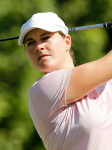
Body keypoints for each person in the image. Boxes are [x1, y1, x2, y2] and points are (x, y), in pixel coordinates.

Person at [18, 12, 112, 150]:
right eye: (30, 43)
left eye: (45, 37)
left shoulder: (106, 83)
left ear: (67, 42)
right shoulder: (42, 89)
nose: (38, 46)